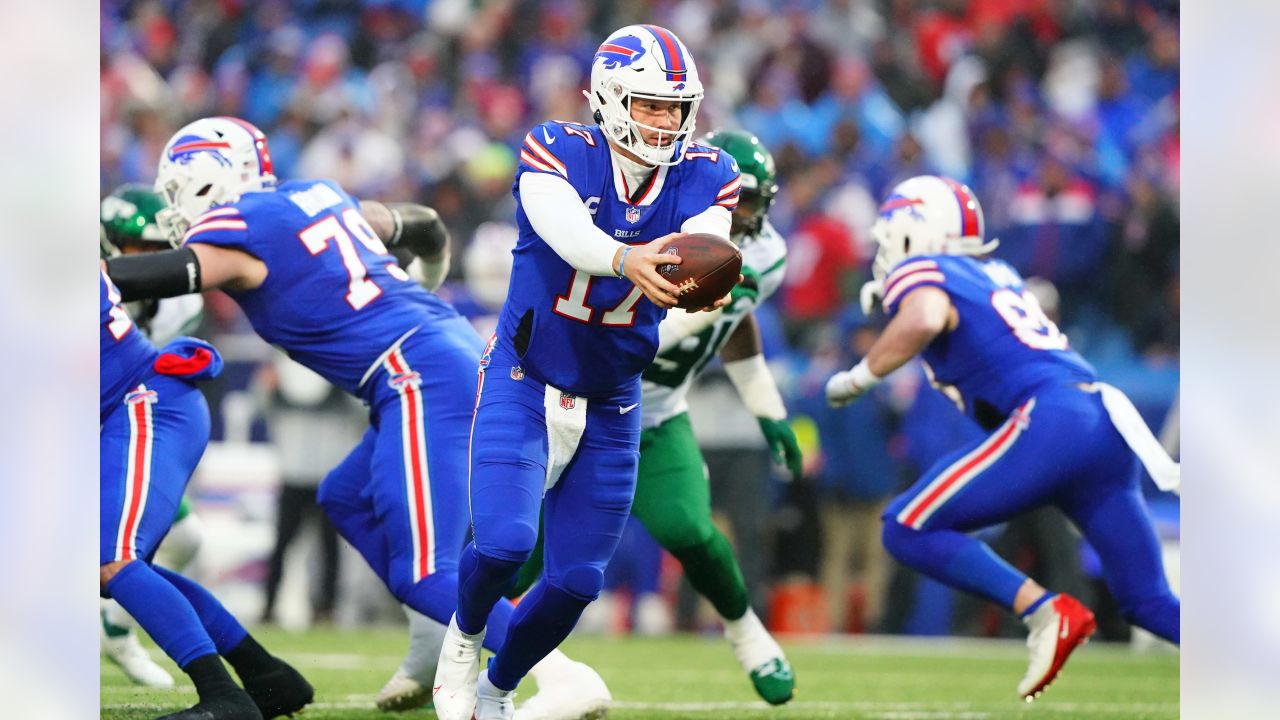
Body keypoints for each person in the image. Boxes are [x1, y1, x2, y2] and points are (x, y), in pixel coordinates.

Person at [103, 116, 606, 716]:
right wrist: (425, 286)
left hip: (414, 372)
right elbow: (425, 227)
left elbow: (143, 276)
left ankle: (558, 673)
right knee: (347, 495)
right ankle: (430, 644)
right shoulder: (320, 196)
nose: (176, 208)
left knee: (424, 570)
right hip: (437, 350)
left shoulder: (239, 235)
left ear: (205, 180)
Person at [434, 25, 739, 720]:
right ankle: (461, 638)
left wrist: (709, 277)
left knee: (576, 581)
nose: (664, 121)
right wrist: (627, 259)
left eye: (674, 107)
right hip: (527, 373)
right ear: (606, 97)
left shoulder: (707, 172)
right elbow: (562, 226)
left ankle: (498, 691)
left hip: (612, 394)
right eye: (648, 104)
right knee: (508, 541)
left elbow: (712, 244)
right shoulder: (560, 149)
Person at [824, 175, 1181, 700]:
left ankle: (1043, 611)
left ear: (913, 231)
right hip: (1101, 421)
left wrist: (860, 376)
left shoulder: (928, 269)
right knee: (1148, 601)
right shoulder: (996, 273)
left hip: (1052, 421)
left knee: (906, 526)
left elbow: (923, 317)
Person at [100, 269, 313, 720]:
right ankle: (266, 675)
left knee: (111, 559)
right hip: (130, 411)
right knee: (108, 566)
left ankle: (223, 696)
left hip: (143, 405)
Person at [99, 184, 209, 689]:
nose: (147, 260)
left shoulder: (174, 302)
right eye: (137, 249)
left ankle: (116, 630)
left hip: (120, 419)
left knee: (182, 538)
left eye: (155, 251)